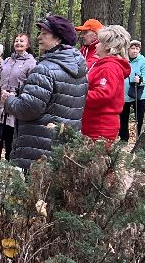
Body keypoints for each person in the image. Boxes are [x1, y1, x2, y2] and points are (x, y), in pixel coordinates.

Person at [6, 15, 88, 171]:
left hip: (37, 151)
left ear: (58, 39)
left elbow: (27, 109)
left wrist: (9, 100)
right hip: (64, 148)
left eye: (44, 34)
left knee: (32, 186)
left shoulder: (44, 69)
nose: (39, 37)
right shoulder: (80, 69)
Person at [82, 24, 132, 143]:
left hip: (99, 127)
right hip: (92, 124)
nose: (96, 45)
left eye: (99, 42)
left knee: (93, 155)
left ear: (108, 46)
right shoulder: (104, 65)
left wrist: (77, 94)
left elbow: (102, 95)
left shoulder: (109, 67)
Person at [0, 33, 36, 160]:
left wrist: (16, 94)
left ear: (28, 45)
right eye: (16, 40)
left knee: (14, 137)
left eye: (22, 41)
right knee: (3, 136)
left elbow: (32, 86)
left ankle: (13, 162)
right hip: (2, 105)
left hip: (18, 105)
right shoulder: (7, 60)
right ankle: (6, 161)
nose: (18, 43)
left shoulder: (31, 63)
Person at [121, 39, 145, 141]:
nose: (135, 51)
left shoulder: (143, 61)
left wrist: (140, 80)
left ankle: (139, 139)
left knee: (140, 118)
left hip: (139, 94)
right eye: (133, 48)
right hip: (124, 94)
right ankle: (123, 139)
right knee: (123, 118)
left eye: (137, 49)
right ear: (128, 49)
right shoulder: (123, 60)